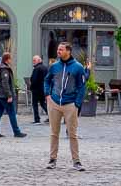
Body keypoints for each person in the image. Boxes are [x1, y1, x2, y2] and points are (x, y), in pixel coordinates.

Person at [44, 41, 87, 171]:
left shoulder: (78, 67)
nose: (58, 51)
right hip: (54, 103)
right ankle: (52, 160)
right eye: (58, 49)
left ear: (68, 51)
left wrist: (77, 104)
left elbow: (82, 86)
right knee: (54, 133)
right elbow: (47, 80)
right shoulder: (54, 66)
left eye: (61, 50)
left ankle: (76, 161)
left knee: (72, 134)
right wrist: (47, 95)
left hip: (70, 104)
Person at [0, 52, 26, 138]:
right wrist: (9, 95)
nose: (11, 60)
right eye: (10, 58)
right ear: (7, 59)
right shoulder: (4, 69)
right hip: (4, 95)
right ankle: (16, 132)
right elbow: (5, 83)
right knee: (12, 113)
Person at [30, 54, 49, 124]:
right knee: (43, 103)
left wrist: (31, 87)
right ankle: (51, 116)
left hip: (36, 89)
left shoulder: (36, 68)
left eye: (34, 60)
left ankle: (37, 119)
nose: (33, 62)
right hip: (43, 89)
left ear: (39, 60)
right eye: (33, 60)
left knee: (35, 104)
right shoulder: (45, 68)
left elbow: (34, 80)